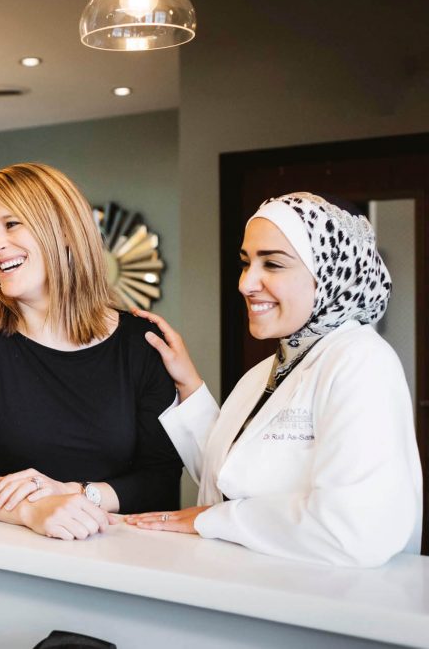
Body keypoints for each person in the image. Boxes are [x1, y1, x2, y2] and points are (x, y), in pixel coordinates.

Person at [126, 192, 422, 567]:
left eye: (274, 264)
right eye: (246, 262)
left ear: (328, 270)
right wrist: (189, 385)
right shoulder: (265, 373)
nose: (246, 284)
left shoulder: (361, 361)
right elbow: (229, 480)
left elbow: (357, 530)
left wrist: (209, 520)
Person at [0, 163, 182, 541]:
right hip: (3, 557)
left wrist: (77, 494)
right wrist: (31, 510)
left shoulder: (140, 342)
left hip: (118, 557)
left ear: (63, 230)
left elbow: (161, 480)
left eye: (12, 224)